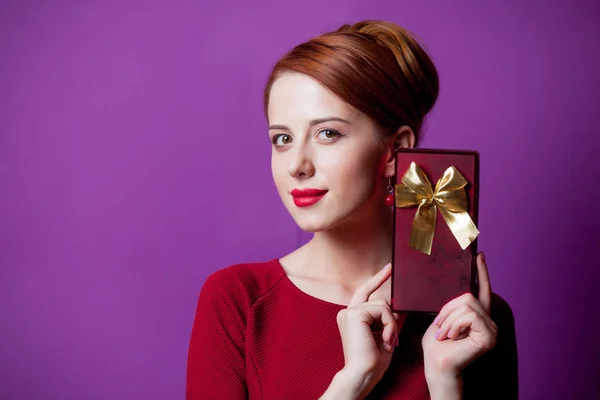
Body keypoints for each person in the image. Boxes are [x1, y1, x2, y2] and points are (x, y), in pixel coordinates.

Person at [186, 20, 518, 399]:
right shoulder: (237, 300)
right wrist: (353, 381)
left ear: (396, 149)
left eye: (327, 133)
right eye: (282, 139)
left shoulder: (471, 318)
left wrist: (445, 383)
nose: (297, 165)